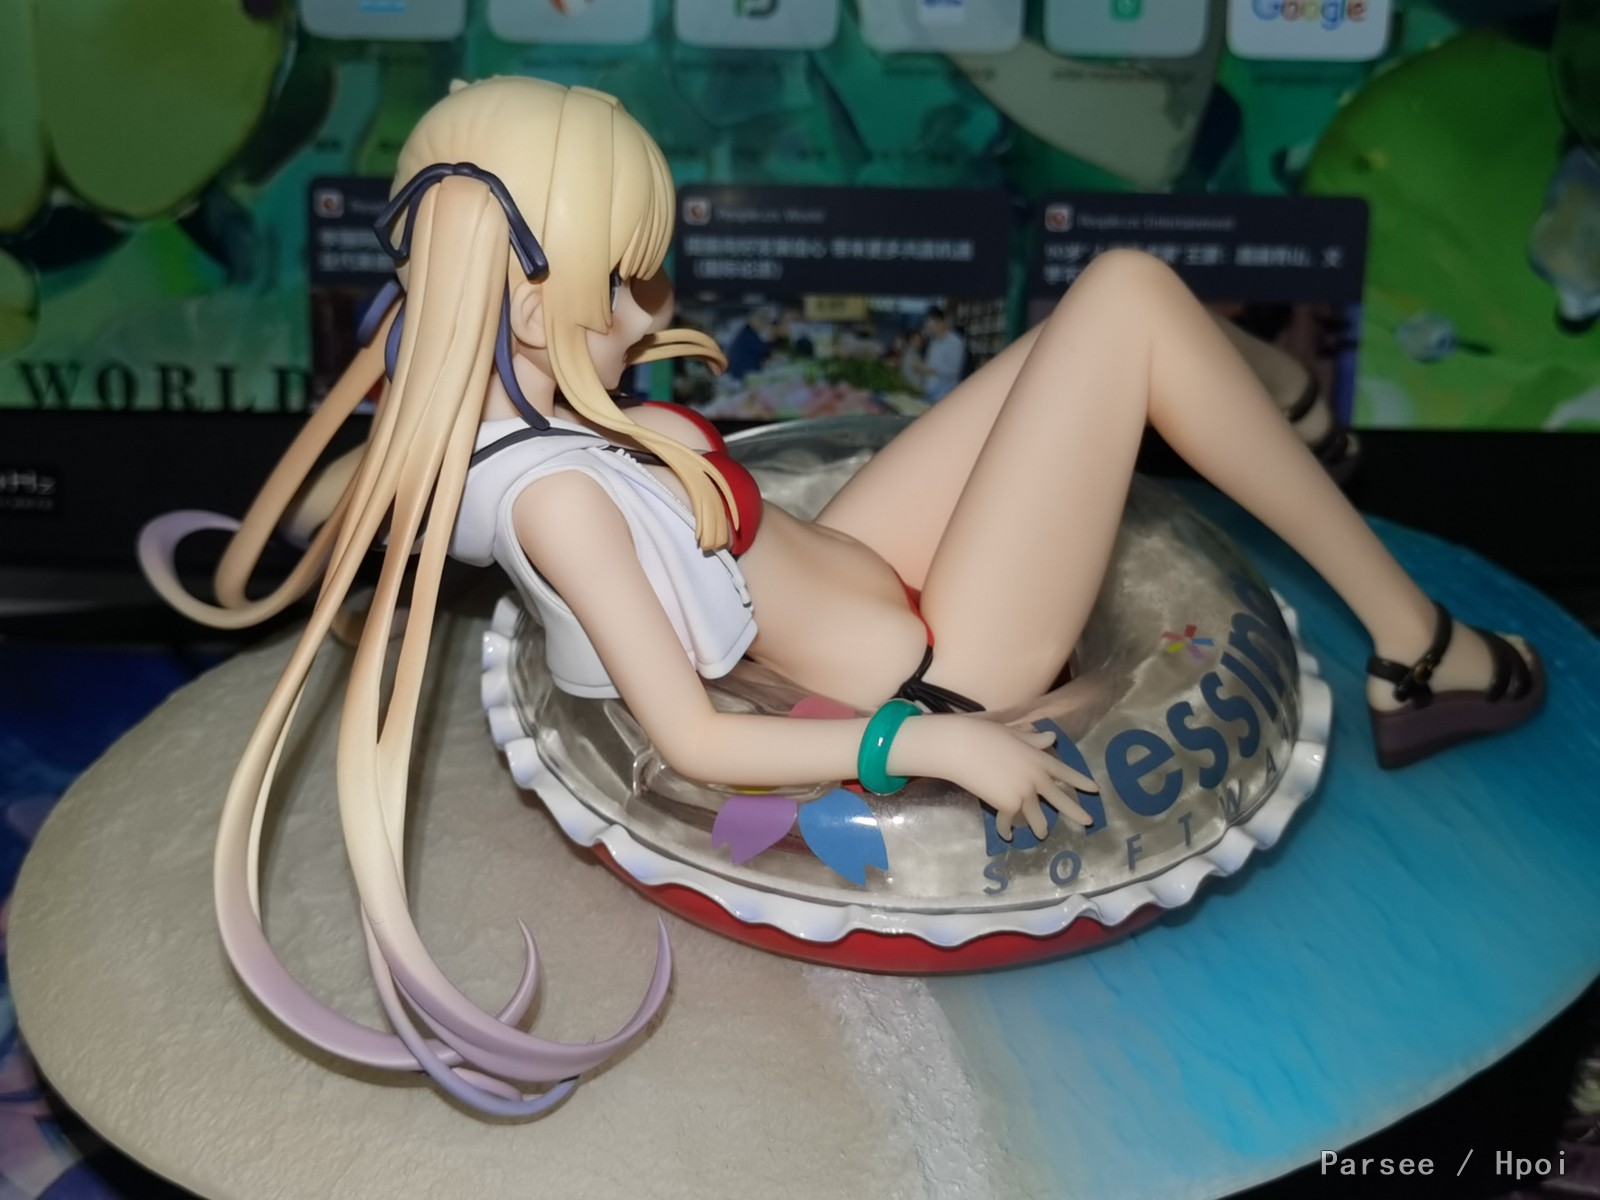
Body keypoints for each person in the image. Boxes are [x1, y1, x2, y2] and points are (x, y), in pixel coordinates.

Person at [141, 78, 1544, 1116]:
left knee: (1116, 316)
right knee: (1124, 296)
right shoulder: (560, 504)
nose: (652, 309)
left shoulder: (474, 377)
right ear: (517, 299)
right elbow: (694, 742)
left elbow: (370, 464)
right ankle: (1419, 650)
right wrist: (935, 744)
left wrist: (305, 515)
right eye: (621, 284)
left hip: (848, 558)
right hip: (937, 666)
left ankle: (1267, 389)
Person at [917, 306, 966, 402]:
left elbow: (953, 370)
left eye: (932, 326)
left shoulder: (955, 342)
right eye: (928, 327)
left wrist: (932, 369)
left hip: (944, 395)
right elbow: (930, 362)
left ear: (941, 322)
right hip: (929, 392)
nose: (930, 330)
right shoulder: (934, 342)